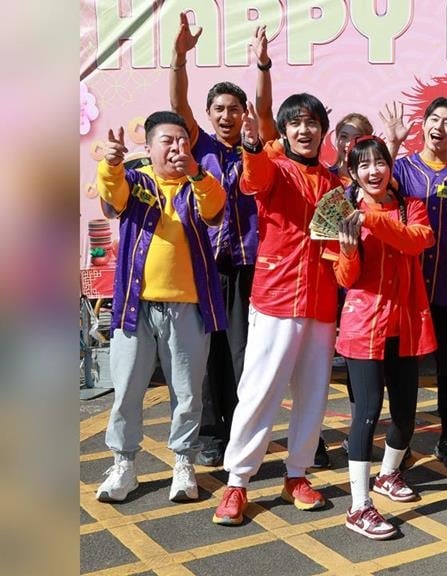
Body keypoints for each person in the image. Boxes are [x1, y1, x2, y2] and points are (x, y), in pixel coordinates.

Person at [213, 94, 339, 525]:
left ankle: (297, 475)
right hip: (276, 298)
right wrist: (251, 145)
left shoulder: (334, 183)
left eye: (312, 122)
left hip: (321, 302)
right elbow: (254, 179)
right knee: (259, 391)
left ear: (323, 131)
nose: (305, 130)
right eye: (296, 123)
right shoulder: (274, 168)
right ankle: (237, 481)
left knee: (313, 393)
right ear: (284, 131)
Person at [94, 111, 227, 503]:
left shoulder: (199, 182)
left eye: (182, 140)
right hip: (135, 307)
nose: (176, 147)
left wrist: (197, 174)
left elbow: (214, 207)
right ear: (149, 147)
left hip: (189, 308)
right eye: (167, 140)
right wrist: (111, 164)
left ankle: (183, 462)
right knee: (126, 390)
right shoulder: (135, 182)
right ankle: (123, 465)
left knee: (187, 394)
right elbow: (112, 195)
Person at [334, 136, 437, 540]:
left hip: (405, 325)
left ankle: (388, 474)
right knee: (367, 412)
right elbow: (345, 279)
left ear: (390, 167)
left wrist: (371, 220)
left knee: (407, 413)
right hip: (364, 326)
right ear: (353, 173)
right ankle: (359, 506)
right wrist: (348, 251)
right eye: (364, 165)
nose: (373, 171)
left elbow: (417, 240)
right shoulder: (343, 212)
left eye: (379, 162)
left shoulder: (412, 207)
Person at [169, 12, 257, 467]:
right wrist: (179, 58)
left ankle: (240, 431)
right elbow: (177, 103)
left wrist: (262, 68)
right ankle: (209, 433)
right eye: (219, 109)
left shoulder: (256, 149)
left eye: (234, 109)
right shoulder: (199, 145)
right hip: (202, 264)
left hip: (246, 267)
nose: (227, 115)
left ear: (244, 114)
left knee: (240, 353)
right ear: (208, 115)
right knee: (205, 352)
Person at [392, 97, 447, 470]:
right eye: (435, 119)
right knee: (404, 368)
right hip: (408, 285)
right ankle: (400, 443)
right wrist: (392, 144)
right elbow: (371, 192)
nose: (439, 127)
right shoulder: (401, 169)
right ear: (424, 123)